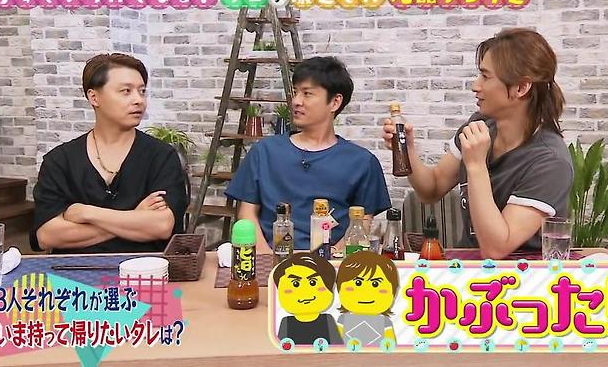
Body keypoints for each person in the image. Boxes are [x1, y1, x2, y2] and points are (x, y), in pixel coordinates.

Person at [382, 28, 573, 259]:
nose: (475, 85)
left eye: (486, 76)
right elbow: (431, 189)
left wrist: (476, 165)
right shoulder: (479, 125)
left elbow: (497, 248)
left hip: (519, 274)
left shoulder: (550, 161)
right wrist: (408, 150)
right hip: (467, 267)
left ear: (521, 87)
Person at [226, 56, 391, 253]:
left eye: (307, 93)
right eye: (295, 92)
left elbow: (362, 223)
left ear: (335, 102)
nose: (296, 101)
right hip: (271, 259)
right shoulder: (264, 152)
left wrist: (332, 259)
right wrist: (268, 260)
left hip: (331, 262)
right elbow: (247, 213)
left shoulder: (362, 162)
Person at [30, 53, 188, 253]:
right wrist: (135, 217)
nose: (138, 100)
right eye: (126, 91)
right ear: (94, 97)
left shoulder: (162, 156)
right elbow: (47, 236)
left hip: (146, 268)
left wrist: (86, 213)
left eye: (142, 91)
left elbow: (161, 226)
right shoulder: (60, 161)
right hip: (74, 270)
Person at [274, 253, 343, 345]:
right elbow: (282, 346)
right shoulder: (286, 322)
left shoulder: (328, 320)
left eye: (313, 282)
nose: (305, 290)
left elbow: (337, 346)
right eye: (295, 284)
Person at [336, 251, 399, 346]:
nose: (366, 292)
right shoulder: (343, 319)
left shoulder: (384, 322)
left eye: (375, 284)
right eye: (358, 283)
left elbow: (391, 344)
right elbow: (335, 344)